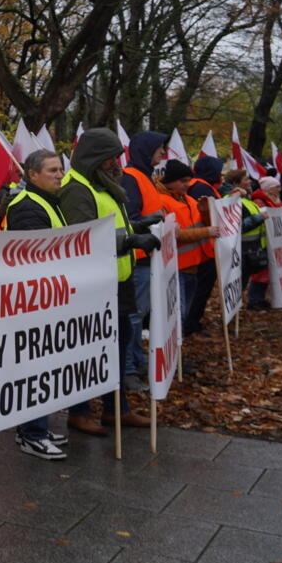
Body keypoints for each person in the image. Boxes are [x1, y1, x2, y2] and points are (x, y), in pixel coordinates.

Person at [59, 129, 154, 434]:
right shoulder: (77, 188)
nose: (118, 162)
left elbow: (112, 224)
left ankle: (117, 409)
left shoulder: (103, 184)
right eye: (113, 156)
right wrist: (130, 241)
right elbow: (82, 237)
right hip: (94, 286)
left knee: (119, 345)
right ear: (96, 158)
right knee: (90, 350)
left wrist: (139, 225)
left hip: (118, 281)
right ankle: (79, 411)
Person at [3, 151, 72, 459]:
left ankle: (33, 428)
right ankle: (32, 433)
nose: (60, 175)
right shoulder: (28, 207)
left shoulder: (44, 202)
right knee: (36, 369)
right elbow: (34, 256)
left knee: (41, 368)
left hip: (44, 298)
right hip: (33, 302)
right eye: (53, 170)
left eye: (61, 170)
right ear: (32, 175)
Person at [118, 132, 169, 387]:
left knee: (140, 313)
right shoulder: (131, 178)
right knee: (134, 316)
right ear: (146, 150)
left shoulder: (145, 177)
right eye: (160, 148)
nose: (163, 153)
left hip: (147, 255)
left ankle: (135, 362)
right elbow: (132, 216)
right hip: (137, 256)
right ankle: (128, 368)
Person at [152, 161, 219, 335]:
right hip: (175, 268)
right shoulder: (160, 202)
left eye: (189, 180)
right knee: (177, 316)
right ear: (171, 181)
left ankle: (178, 355)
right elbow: (174, 234)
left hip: (193, 267)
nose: (187, 185)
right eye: (183, 181)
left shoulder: (189, 199)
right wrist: (207, 231)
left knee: (184, 314)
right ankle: (174, 358)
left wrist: (205, 211)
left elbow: (205, 224)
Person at [185, 157, 225, 337]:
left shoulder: (197, 185)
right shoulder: (201, 188)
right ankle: (191, 323)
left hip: (203, 246)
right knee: (199, 290)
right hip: (203, 247)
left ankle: (193, 321)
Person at [247, 176, 282, 308]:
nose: (279, 189)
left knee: (269, 271)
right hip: (263, 241)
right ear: (268, 188)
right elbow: (265, 216)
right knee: (260, 272)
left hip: (276, 241)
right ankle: (254, 299)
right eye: (276, 187)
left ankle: (260, 298)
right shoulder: (259, 200)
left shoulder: (276, 200)